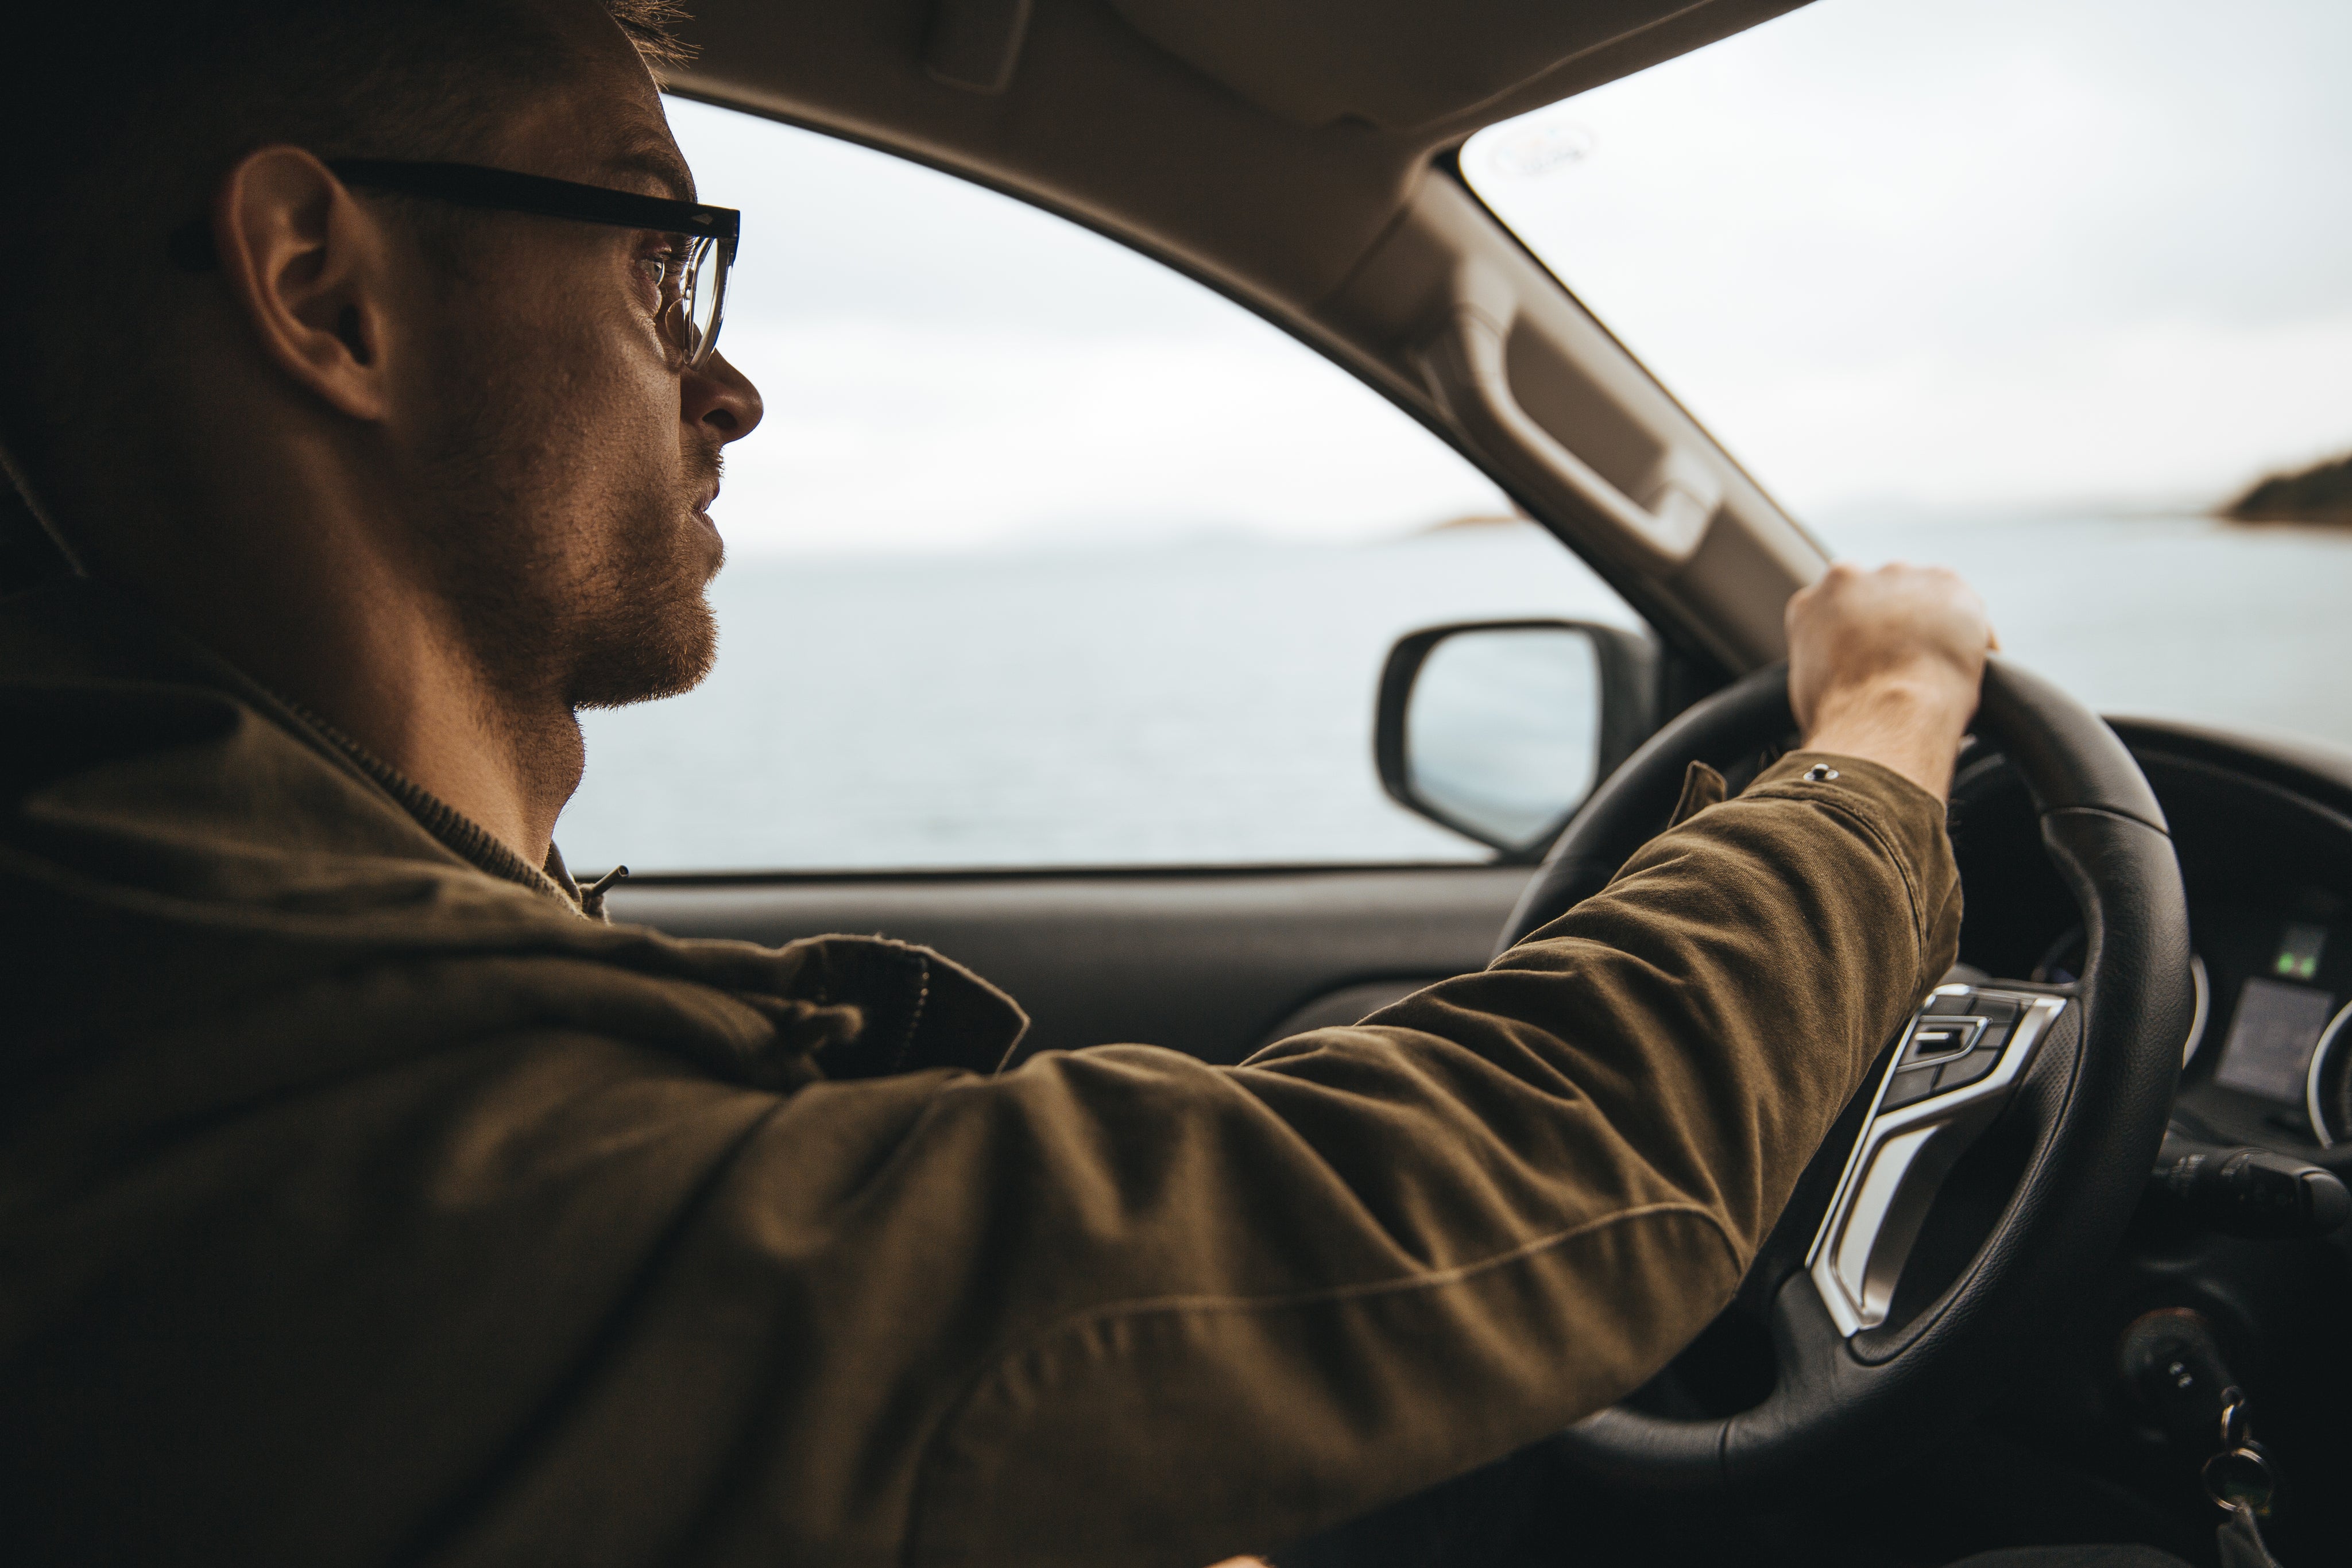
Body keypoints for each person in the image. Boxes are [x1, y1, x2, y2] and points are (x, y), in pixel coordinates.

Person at [0, 3, 2182, 1566]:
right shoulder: (307, 1130)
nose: (732, 379)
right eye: (662, 254)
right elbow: (1531, 1164)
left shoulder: (203, 941)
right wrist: (1886, 722)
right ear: (321, 287)